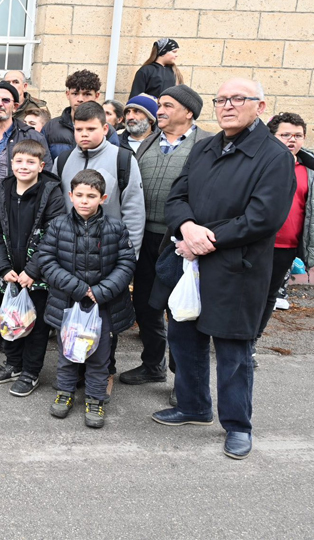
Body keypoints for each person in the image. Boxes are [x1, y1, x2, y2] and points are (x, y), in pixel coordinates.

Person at [152, 78, 296, 460]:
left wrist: (207, 238)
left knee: (233, 350)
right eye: (221, 100)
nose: (227, 106)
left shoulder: (274, 156)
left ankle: (237, 426)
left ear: (260, 107)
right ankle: (193, 405)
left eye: (237, 99)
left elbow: (264, 218)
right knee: (184, 337)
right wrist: (186, 227)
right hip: (191, 262)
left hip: (237, 268)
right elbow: (177, 196)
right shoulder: (205, 148)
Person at [118, 84, 211, 389]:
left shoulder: (206, 145)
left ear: (188, 112)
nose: (160, 110)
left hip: (181, 242)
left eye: (169, 105)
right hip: (145, 238)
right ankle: (152, 364)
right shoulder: (147, 142)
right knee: (145, 305)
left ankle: (182, 380)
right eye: (160, 105)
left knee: (181, 312)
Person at [38, 170, 136, 428]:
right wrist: (80, 288)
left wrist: (99, 292)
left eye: (91, 196)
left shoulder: (116, 228)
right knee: (68, 352)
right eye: (79, 195)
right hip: (68, 302)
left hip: (102, 305)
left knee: (98, 355)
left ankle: (95, 397)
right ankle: (65, 391)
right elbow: (46, 261)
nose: (84, 201)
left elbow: (126, 264)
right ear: (70, 196)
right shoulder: (58, 226)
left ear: (102, 198)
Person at [0, 140, 66, 396]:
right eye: (19, 161)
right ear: (11, 163)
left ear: (41, 165)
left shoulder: (51, 192)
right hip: (10, 272)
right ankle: (13, 363)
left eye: (31, 162)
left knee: (36, 324)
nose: (24, 166)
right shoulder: (4, 189)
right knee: (11, 318)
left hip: (38, 275)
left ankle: (31, 371)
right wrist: (1, 267)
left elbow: (53, 235)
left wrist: (33, 271)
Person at [55, 101, 144, 260]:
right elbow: (54, 207)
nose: (84, 134)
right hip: (67, 253)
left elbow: (133, 212)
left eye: (91, 129)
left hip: (108, 254)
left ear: (105, 129)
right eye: (79, 129)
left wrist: (129, 257)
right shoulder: (62, 160)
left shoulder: (123, 159)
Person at [255, 113, 313, 346]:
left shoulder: (308, 170)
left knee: (269, 295)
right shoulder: (259, 163)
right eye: (285, 134)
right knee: (247, 293)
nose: (292, 140)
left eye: (298, 135)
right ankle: (233, 337)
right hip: (256, 241)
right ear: (273, 137)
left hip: (286, 245)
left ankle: (252, 341)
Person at [0, 81, 50, 187]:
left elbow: (47, 176)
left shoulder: (33, 137)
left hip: (18, 201)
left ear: (15, 106)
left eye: (5, 100)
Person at [42, 69, 120, 162]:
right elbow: (44, 162)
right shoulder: (51, 128)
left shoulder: (108, 131)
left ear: (97, 96)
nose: (80, 99)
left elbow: (113, 163)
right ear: (68, 94)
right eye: (75, 94)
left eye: (87, 94)